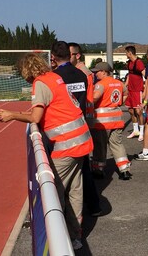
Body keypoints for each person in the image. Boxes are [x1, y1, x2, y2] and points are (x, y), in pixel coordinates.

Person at [0, 53, 93, 251]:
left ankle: (60, 239)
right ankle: (76, 235)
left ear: (26, 70)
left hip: (66, 145)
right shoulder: (54, 77)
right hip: (82, 141)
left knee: (54, 193)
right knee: (75, 190)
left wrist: (11, 115)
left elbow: (36, 117)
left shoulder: (40, 83)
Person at [52, 41, 102, 218]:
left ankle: (60, 215)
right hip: (81, 125)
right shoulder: (81, 75)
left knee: (65, 178)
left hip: (64, 129)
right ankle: (93, 206)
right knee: (82, 170)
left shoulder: (56, 77)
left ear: (53, 57)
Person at [91, 62, 133, 180]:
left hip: (102, 122)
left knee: (100, 146)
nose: (95, 74)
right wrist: (118, 103)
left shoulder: (100, 84)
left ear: (104, 72)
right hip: (117, 119)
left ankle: (98, 169)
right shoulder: (119, 83)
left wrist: (88, 105)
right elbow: (126, 94)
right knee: (117, 144)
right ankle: (124, 170)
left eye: (97, 72)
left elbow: (95, 97)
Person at [124, 45, 146, 140]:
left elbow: (146, 76)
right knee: (131, 110)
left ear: (130, 53)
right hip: (130, 90)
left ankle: (142, 132)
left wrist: (145, 91)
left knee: (138, 111)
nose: (126, 54)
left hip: (138, 90)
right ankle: (135, 130)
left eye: (126, 53)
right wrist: (125, 86)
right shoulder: (129, 63)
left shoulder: (139, 63)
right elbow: (129, 75)